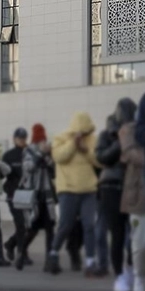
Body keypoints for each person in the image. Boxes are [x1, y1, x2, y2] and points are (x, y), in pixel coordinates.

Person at [45, 111, 100, 276]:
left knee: (89, 226)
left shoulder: (93, 140)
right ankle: (53, 255)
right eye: (82, 130)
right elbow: (58, 157)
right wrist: (73, 143)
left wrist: (85, 150)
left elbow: (99, 161)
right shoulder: (61, 138)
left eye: (86, 130)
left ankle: (90, 261)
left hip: (89, 190)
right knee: (65, 225)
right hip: (67, 189)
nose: (84, 133)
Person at [96, 98, 138, 291]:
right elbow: (102, 158)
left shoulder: (138, 132)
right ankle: (120, 275)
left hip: (134, 187)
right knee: (118, 233)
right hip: (111, 187)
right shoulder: (107, 134)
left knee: (135, 234)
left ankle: (131, 269)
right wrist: (121, 142)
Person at [18, 123, 57, 270]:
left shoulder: (48, 151)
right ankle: (21, 253)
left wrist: (49, 156)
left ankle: (49, 262)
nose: (43, 141)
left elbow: (53, 171)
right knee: (33, 229)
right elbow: (29, 168)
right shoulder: (28, 150)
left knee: (50, 228)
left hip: (46, 195)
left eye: (43, 138)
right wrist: (40, 153)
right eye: (40, 138)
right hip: (33, 195)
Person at [120, 111, 145, 291]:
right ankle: (139, 278)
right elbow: (132, 155)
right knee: (139, 244)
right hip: (138, 197)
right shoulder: (129, 130)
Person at [2, 128, 31, 265]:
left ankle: (10, 244)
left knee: (28, 225)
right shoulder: (8, 155)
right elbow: (2, 174)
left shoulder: (30, 153)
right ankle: (22, 254)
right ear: (14, 139)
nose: (22, 140)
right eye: (19, 138)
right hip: (13, 194)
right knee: (20, 224)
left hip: (28, 195)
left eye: (24, 138)